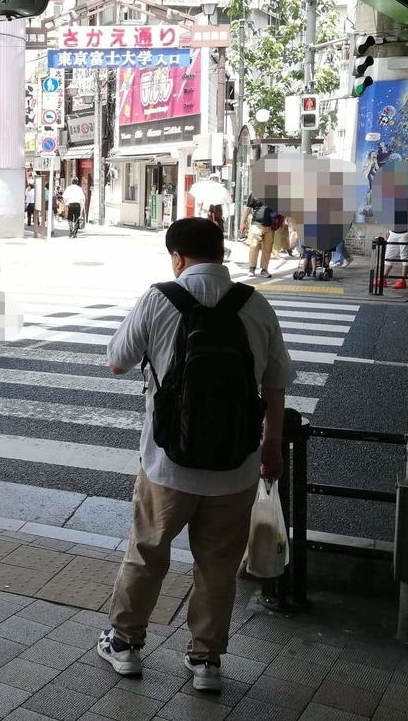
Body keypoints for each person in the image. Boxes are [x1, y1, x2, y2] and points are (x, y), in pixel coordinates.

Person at [96, 218, 294, 691]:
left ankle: (125, 645)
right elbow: (276, 382)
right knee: (219, 565)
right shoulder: (256, 304)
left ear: (177, 258)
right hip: (238, 468)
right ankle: (205, 662)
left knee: (147, 553)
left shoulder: (159, 298)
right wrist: (270, 447)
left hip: (168, 465)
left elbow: (116, 360)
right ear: (222, 253)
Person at [240, 193, 276, 278]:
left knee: (267, 248)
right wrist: (242, 222)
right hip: (256, 224)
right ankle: (252, 267)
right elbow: (248, 208)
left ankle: (264, 269)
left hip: (270, 225)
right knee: (254, 245)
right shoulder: (254, 194)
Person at [380, 224, 408, 290]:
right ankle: (383, 278)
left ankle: (403, 280)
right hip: (393, 231)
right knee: (388, 256)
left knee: (404, 256)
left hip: (405, 232)